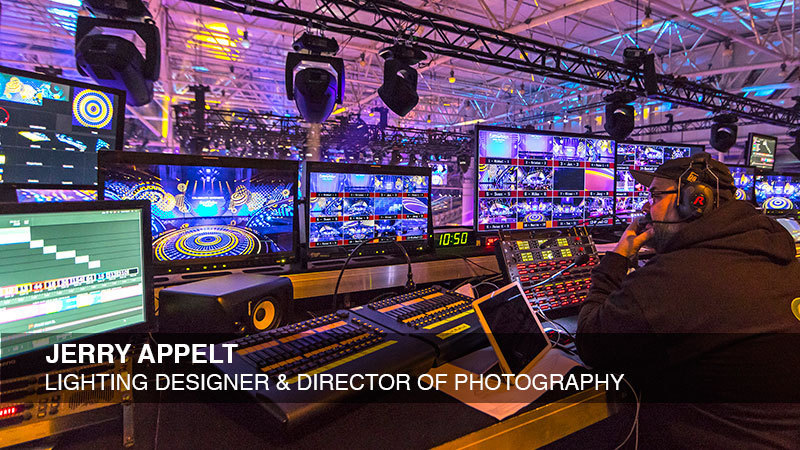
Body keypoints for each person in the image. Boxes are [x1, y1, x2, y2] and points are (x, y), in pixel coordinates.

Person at [576, 153, 800, 447]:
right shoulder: (777, 253)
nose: (646, 208)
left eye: (655, 196)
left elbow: (591, 341)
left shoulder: (676, 278)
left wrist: (618, 257)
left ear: (694, 201)